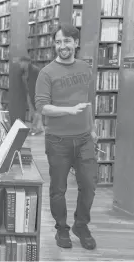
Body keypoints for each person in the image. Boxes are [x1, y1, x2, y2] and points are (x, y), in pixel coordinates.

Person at [35, 23, 98, 250]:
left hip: (84, 139)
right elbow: (42, 107)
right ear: (55, 45)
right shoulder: (46, 73)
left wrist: (91, 128)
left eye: (67, 41)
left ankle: (81, 225)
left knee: (89, 185)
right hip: (57, 140)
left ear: (75, 43)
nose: (62, 46)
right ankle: (61, 228)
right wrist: (69, 111)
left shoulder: (84, 68)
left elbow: (88, 102)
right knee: (58, 189)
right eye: (58, 42)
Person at [19, 56, 44, 135]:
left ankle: (35, 128)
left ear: (26, 62)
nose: (20, 64)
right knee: (33, 112)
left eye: (21, 62)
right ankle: (39, 128)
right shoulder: (24, 71)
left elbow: (36, 84)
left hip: (36, 93)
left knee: (37, 112)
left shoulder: (34, 70)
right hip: (29, 93)